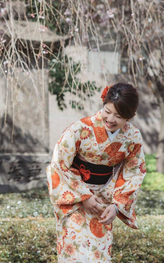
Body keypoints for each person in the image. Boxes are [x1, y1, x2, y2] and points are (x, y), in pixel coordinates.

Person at [46, 82, 146, 262]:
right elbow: (59, 163)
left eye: (118, 115)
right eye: (107, 111)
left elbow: (134, 172)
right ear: (103, 104)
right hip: (74, 196)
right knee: (74, 251)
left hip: (103, 202)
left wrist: (116, 206)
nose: (110, 119)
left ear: (130, 117)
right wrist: (84, 196)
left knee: (97, 255)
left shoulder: (133, 137)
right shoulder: (80, 128)